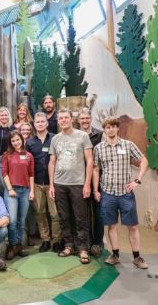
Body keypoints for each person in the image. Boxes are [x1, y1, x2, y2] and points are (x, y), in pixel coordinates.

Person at [93, 117, 149, 269]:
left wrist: (137, 180)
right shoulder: (99, 148)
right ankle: (115, 255)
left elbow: (144, 160)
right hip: (108, 193)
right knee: (111, 226)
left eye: (113, 127)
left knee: (133, 226)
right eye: (107, 127)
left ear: (118, 128)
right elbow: (96, 169)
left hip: (125, 193)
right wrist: (95, 190)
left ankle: (137, 257)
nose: (110, 129)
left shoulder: (128, 144)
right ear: (104, 130)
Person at [49, 108, 93, 264]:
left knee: (81, 217)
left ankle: (82, 248)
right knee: (64, 217)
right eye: (60, 118)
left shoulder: (83, 136)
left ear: (71, 119)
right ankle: (68, 245)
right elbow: (52, 162)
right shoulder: (55, 139)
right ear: (58, 121)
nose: (63, 120)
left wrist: (87, 184)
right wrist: (52, 186)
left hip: (78, 184)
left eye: (66, 117)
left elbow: (90, 161)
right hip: (60, 184)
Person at [26, 112, 62, 252]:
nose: (40, 124)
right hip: (37, 183)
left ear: (47, 123)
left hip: (52, 183)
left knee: (54, 213)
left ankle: (57, 241)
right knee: (40, 212)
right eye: (37, 122)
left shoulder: (55, 138)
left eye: (42, 121)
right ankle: (45, 239)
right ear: (34, 124)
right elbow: (28, 165)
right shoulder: (30, 143)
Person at [2, 131, 35, 259]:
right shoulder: (7, 155)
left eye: (18, 139)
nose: (16, 142)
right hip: (12, 191)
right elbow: (4, 173)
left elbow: (31, 174)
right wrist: (10, 189)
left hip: (25, 191)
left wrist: (31, 191)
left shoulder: (29, 156)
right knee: (13, 220)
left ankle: (18, 245)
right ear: (10, 142)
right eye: (13, 140)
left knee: (22, 221)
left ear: (22, 140)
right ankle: (12, 244)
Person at [78, 108, 104, 256]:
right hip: (80, 178)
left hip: (97, 179)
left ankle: (97, 242)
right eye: (82, 119)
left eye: (87, 118)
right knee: (83, 213)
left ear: (91, 118)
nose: (85, 121)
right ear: (78, 121)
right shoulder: (76, 135)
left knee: (98, 212)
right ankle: (85, 241)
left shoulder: (99, 135)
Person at [0, 107, 16, 197]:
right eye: (1, 115)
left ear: (9, 116)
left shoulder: (13, 128)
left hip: (11, 159)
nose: (3, 117)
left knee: (10, 183)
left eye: (5, 115)